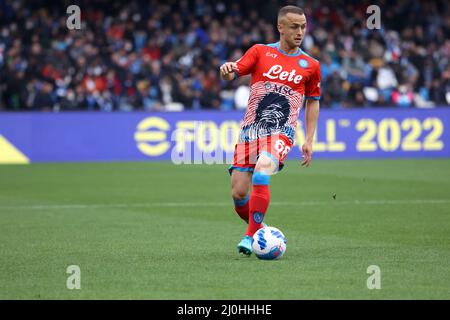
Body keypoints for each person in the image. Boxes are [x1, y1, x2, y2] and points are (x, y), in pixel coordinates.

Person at [219, 5, 321, 256]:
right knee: (239, 193)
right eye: (295, 27)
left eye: (304, 26)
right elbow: (235, 71)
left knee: (263, 170)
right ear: (280, 27)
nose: (300, 32)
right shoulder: (260, 51)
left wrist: (308, 139)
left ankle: (249, 236)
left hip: (282, 131)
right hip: (251, 131)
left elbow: (313, 101)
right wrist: (227, 71)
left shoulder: (311, 64)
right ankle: (259, 228)